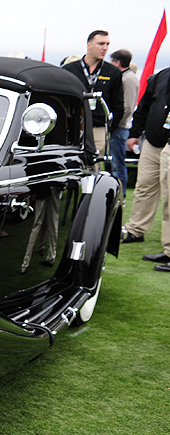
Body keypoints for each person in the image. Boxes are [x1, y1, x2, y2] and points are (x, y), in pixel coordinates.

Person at [125, 65, 170, 271]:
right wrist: (134, 133)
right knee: (144, 187)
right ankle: (135, 230)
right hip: (152, 142)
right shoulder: (161, 75)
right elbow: (143, 106)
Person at [63, 31, 123, 154]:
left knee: (93, 164)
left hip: (98, 129)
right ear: (89, 45)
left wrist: (109, 127)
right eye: (100, 44)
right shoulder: (69, 69)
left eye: (107, 44)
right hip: (73, 127)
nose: (105, 48)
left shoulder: (112, 72)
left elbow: (118, 104)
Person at [109, 49, 138, 194]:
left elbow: (127, 107)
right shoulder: (123, 77)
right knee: (111, 163)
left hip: (120, 128)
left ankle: (122, 194)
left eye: (112, 61)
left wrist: (114, 124)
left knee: (118, 164)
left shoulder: (129, 79)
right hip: (117, 127)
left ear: (117, 62)